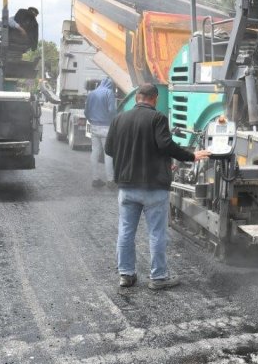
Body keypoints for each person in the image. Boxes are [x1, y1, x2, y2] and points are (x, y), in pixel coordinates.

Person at [104, 83, 210, 290]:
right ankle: (158, 277)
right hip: (154, 187)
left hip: (127, 187)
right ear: (154, 99)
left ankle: (126, 275)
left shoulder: (119, 119)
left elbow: (109, 149)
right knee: (156, 233)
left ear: (137, 98)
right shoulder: (158, 118)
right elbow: (165, 145)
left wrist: (129, 158)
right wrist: (191, 156)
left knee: (125, 231)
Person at [85, 78, 117, 188]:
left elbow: (86, 112)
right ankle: (110, 180)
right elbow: (112, 110)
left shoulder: (91, 93)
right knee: (108, 153)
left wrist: (92, 120)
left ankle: (95, 179)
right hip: (106, 127)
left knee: (95, 152)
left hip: (94, 126)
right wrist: (112, 120)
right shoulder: (109, 92)